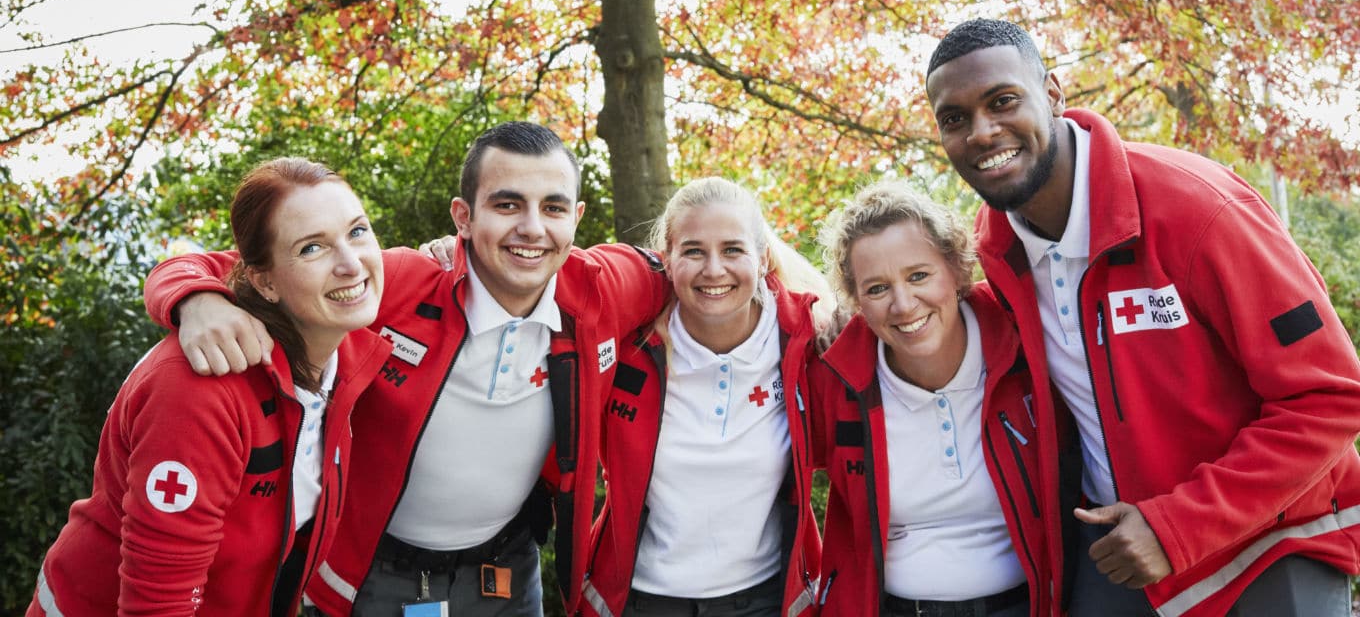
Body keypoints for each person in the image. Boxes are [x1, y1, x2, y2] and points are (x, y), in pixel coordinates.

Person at [140, 123, 670, 616]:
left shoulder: (601, 288)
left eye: (552, 208)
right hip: (374, 573)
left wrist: (757, 274)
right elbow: (233, 266)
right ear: (463, 217)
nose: (532, 229)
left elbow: (696, 268)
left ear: (575, 219)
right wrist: (195, 300)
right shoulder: (396, 287)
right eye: (507, 204)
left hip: (507, 572)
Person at [925, 18, 1360, 617]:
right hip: (1120, 554)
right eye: (954, 119)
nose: (981, 131)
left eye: (1002, 101)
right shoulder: (994, 253)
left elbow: (1330, 397)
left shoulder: (1198, 210)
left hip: (1268, 549)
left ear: (1052, 94)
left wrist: (1177, 526)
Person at [28, 158, 392, 616]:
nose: (349, 263)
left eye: (357, 231)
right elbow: (158, 606)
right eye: (311, 248)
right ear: (264, 282)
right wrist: (194, 297)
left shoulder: (352, 310)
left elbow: (472, 271)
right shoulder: (199, 388)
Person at [574, 178, 827, 617]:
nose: (714, 269)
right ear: (666, 261)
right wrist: (455, 256)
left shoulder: (806, 340)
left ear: (762, 257)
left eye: (732, 249)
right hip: (641, 600)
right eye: (693, 251)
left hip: (766, 600)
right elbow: (547, 278)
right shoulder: (629, 349)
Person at [808, 180, 1055, 617]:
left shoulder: (1025, 348)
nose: (903, 305)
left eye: (919, 275)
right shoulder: (838, 381)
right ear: (855, 300)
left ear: (958, 271)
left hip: (1027, 604)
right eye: (877, 289)